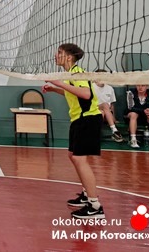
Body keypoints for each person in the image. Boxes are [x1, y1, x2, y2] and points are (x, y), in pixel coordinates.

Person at [42, 43, 104, 219]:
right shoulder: (70, 74)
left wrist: (59, 83)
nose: (56, 55)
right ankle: (86, 194)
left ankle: (95, 206)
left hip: (88, 118)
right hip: (78, 119)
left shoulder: (77, 73)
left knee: (78, 158)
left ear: (69, 57)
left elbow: (86, 94)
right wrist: (55, 89)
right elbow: (73, 93)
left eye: (59, 52)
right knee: (72, 155)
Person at [92, 70, 123, 143]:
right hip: (94, 110)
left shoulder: (110, 88)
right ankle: (114, 130)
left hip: (107, 113)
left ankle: (96, 136)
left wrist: (114, 117)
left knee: (104, 110)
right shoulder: (91, 87)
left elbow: (112, 105)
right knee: (103, 108)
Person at [125, 85, 149, 149]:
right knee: (133, 114)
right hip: (133, 115)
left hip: (146, 116)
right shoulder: (130, 93)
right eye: (138, 85)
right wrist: (143, 110)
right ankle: (133, 140)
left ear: (147, 87)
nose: (140, 87)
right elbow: (130, 108)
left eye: (143, 86)